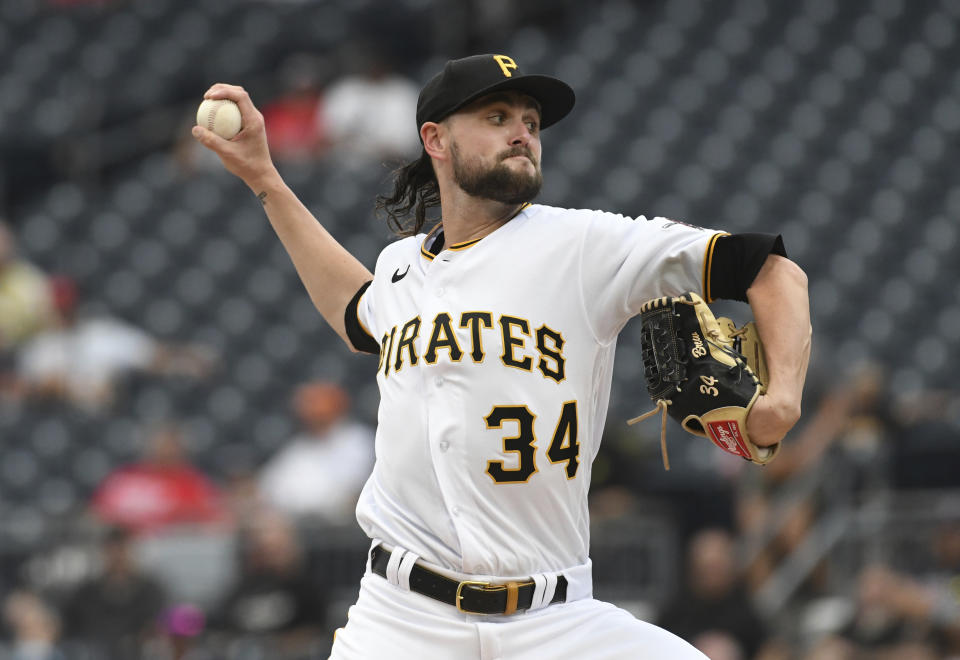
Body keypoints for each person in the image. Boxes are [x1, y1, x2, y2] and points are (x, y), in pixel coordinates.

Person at [192, 53, 811, 658]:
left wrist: (780, 401)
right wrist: (264, 178)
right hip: (402, 619)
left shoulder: (585, 246)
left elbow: (772, 270)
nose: (523, 133)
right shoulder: (401, 267)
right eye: (497, 117)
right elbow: (356, 312)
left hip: (557, 621)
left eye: (532, 123)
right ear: (435, 138)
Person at [15, 276, 217, 413]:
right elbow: (26, 391)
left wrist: (188, 360)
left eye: (67, 308)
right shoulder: (39, 347)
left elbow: (152, 355)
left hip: (108, 416)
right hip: (63, 421)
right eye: (59, 309)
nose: (63, 314)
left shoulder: (102, 334)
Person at [257, 381, 375, 524]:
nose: (312, 413)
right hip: (299, 526)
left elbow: (349, 492)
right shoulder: (298, 447)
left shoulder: (359, 441)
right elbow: (271, 488)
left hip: (348, 528)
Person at [90, 423, 230, 535]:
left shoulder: (194, 482)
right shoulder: (126, 479)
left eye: (172, 446)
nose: (166, 451)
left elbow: (215, 519)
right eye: (161, 445)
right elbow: (100, 515)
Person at [59, 526, 167, 659]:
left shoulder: (150, 591)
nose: (117, 557)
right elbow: (71, 631)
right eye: (112, 551)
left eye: (122, 550)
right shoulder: (85, 593)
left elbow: (158, 627)